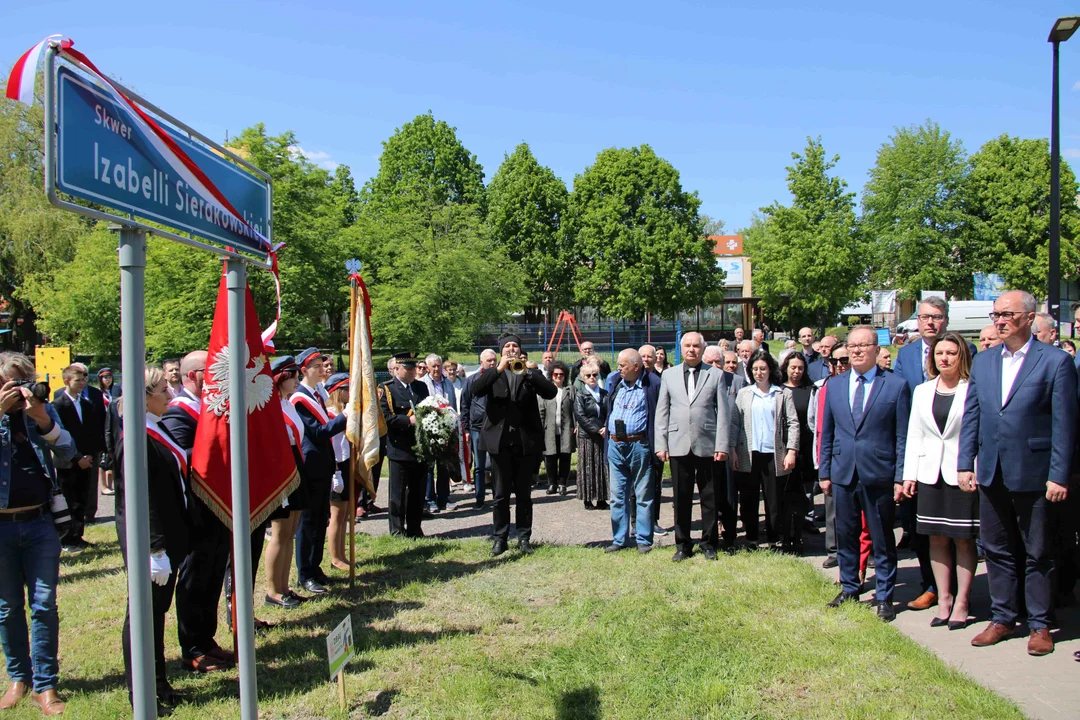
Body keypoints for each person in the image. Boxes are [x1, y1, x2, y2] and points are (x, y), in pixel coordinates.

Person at [958, 290, 1077, 656]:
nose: (1000, 321)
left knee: (1037, 550)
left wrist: (1059, 475)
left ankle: (1040, 624)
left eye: (1007, 314)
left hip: (1035, 472)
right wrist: (965, 463)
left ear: (1029, 317)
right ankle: (1003, 617)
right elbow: (973, 415)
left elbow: (1065, 424)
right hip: (992, 471)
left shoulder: (1055, 362)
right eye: (996, 315)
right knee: (996, 548)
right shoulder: (986, 361)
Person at [820, 326, 911, 622]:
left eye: (864, 345)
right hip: (843, 472)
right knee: (845, 534)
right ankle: (850, 586)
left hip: (879, 474)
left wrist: (899, 476)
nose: (857, 351)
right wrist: (825, 472)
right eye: (853, 346)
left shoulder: (896, 386)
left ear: (876, 349)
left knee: (882, 537)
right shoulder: (834, 386)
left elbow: (902, 436)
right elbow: (828, 434)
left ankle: (885, 595)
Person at [892, 297, 978, 613]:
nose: (930, 322)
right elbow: (906, 412)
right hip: (925, 462)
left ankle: (962, 596)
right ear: (917, 320)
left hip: (958, 466)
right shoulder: (908, 354)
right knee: (925, 532)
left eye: (937, 317)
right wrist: (907, 470)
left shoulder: (967, 352)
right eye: (925, 317)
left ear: (946, 320)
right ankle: (934, 588)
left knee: (961, 536)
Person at [114, 367, 191, 714]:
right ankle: (142, 694)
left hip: (168, 539)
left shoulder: (153, 426)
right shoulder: (134, 436)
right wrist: (154, 548)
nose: (170, 395)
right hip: (152, 543)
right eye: (163, 390)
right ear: (144, 396)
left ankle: (159, 683)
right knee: (143, 616)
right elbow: (138, 497)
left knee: (157, 614)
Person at [0, 353, 73, 716]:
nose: (19, 390)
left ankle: (45, 684)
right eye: (12, 382)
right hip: (1, 526)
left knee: (44, 604)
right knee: (8, 607)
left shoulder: (38, 411)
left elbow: (67, 451)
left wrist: (43, 419)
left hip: (40, 522)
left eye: (24, 381)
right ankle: (19, 679)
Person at [161, 351, 235, 674]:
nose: (218, 376)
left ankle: (207, 639)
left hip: (218, 504)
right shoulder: (179, 412)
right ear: (193, 375)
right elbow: (182, 456)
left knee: (214, 572)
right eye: (211, 371)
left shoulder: (210, 407)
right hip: (196, 509)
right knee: (194, 577)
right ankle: (190, 647)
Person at [471, 334, 558, 556]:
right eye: (507, 346)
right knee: (500, 495)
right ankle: (500, 538)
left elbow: (551, 392)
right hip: (500, 443)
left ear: (520, 351)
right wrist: (498, 369)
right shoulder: (492, 374)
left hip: (525, 443)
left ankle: (523, 537)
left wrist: (528, 373)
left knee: (523, 494)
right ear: (501, 351)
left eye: (515, 346)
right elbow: (476, 390)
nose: (511, 349)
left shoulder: (530, 373)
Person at [654, 332, 729, 562]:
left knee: (709, 497)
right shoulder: (669, 374)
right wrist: (661, 443)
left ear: (703, 348)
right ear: (681, 347)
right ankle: (683, 545)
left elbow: (724, 413)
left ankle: (708, 543)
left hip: (707, 443)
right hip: (678, 444)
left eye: (696, 346)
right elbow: (662, 411)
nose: (691, 350)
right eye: (687, 345)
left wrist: (722, 445)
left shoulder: (715, 374)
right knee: (681, 498)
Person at [290, 347, 347, 596]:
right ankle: (305, 572)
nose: (323, 369)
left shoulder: (316, 394)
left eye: (323, 364)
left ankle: (315, 566)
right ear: (304, 370)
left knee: (320, 520)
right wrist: (346, 415)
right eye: (316, 366)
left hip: (323, 464)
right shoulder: (300, 398)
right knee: (308, 523)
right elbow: (318, 432)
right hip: (311, 466)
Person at [730, 351, 800, 550]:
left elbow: (793, 423)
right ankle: (751, 538)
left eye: (763, 369)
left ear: (770, 370)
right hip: (749, 453)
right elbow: (735, 424)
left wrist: (792, 450)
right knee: (749, 498)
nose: (759, 373)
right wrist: (732, 450)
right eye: (755, 369)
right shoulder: (744, 394)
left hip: (773, 453)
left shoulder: (781, 393)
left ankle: (773, 537)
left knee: (774, 499)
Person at [263, 356, 309, 610]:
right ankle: (273, 590)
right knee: (279, 533)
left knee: (291, 531)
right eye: (291, 375)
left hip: (295, 464)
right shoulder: (269, 407)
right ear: (280, 377)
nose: (296, 380)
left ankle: (284, 586)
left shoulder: (287, 403)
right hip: (280, 467)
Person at [605, 349, 661, 552]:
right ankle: (619, 539)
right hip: (615, 444)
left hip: (639, 445)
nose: (618, 369)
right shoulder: (615, 381)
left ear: (636, 367)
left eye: (622, 365)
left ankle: (644, 540)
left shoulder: (653, 383)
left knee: (643, 494)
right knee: (617, 494)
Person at [380, 353, 431, 538]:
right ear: (396, 369)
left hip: (419, 447)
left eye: (414, 369)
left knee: (417, 492)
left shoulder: (421, 387)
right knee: (398, 493)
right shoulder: (386, 389)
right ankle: (397, 530)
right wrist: (408, 420)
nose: (412, 373)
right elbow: (384, 417)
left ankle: (415, 529)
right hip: (399, 447)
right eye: (408, 369)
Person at [52, 365, 102, 553]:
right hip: (68, 461)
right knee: (68, 499)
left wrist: (89, 455)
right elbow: (61, 435)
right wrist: (77, 457)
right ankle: (66, 538)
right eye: (77, 380)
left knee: (82, 498)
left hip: (86, 459)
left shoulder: (87, 404)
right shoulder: (58, 405)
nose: (81, 383)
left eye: (83, 380)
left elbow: (89, 432)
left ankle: (78, 535)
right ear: (66, 381)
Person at [706, 345, 745, 547]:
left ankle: (730, 534)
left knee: (730, 492)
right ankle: (712, 530)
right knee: (711, 491)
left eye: (718, 362)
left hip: (730, 446)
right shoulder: (698, 381)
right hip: (705, 446)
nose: (715, 366)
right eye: (710, 362)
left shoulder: (737, 382)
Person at [781, 351, 818, 546]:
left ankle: (806, 520)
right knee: (787, 490)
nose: (796, 371)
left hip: (806, 446)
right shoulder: (778, 390)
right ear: (786, 368)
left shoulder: (811, 389)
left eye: (800, 368)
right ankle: (786, 528)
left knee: (806, 488)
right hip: (784, 447)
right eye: (793, 367)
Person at [323, 373, 354, 572]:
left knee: (344, 513)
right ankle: (335, 557)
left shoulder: (344, 411)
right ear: (337, 392)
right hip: (335, 465)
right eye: (347, 390)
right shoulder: (330, 413)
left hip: (346, 463)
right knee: (336, 513)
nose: (350, 394)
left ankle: (342, 552)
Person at [421, 354, 458, 513]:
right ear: (428, 367)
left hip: (446, 430)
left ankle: (444, 498)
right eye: (433, 366)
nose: (436, 369)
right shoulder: (422, 383)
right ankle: (430, 500)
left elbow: (453, 405)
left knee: (444, 465)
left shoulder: (448, 383)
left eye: (438, 366)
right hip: (429, 429)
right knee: (429, 467)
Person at [461, 350, 497, 508]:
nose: (492, 363)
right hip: (477, 428)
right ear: (481, 362)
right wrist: (467, 429)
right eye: (489, 360)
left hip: (496, 427)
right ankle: (479, 497)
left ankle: (498, 496)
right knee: (479, 465)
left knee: (497, 464)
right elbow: (465, 404)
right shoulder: (472, 380)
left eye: (494, 360)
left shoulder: (500, 378)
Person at [573, 358, 608, 510]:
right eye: (588, 375)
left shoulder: (605, 393)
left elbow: (609, 412)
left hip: (603, 435)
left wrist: (606, 427)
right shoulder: (580, 395)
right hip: (587, 436)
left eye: (595, 375)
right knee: (587, 467)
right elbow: (580, 416)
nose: (592, 378)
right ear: (583, 378)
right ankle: (587, 499)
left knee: (601, 466)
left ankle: (601, 498)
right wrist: (595, 430)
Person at [539, 361, 574, 496]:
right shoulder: (545, 391)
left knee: (565, 457)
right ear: (551, 375)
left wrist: (575, 425)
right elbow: (541, 411)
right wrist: (541, 429)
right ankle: (552, 484)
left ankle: (562, 484)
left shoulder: (570, 390)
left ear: (565, 376)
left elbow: (574, 410)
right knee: (550, 458)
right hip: (549, 430)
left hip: (566, 429)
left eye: (561, 374)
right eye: (555, 374)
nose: (558, 376)